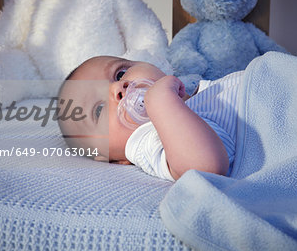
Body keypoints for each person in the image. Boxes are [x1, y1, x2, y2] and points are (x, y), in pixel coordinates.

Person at [57, 56, 242, 181]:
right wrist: (161, 101)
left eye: (119, 74)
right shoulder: (146, 140)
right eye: (99, 110)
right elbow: (207, 167)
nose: (118, 88)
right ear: (112, 158)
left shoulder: (198, 93)